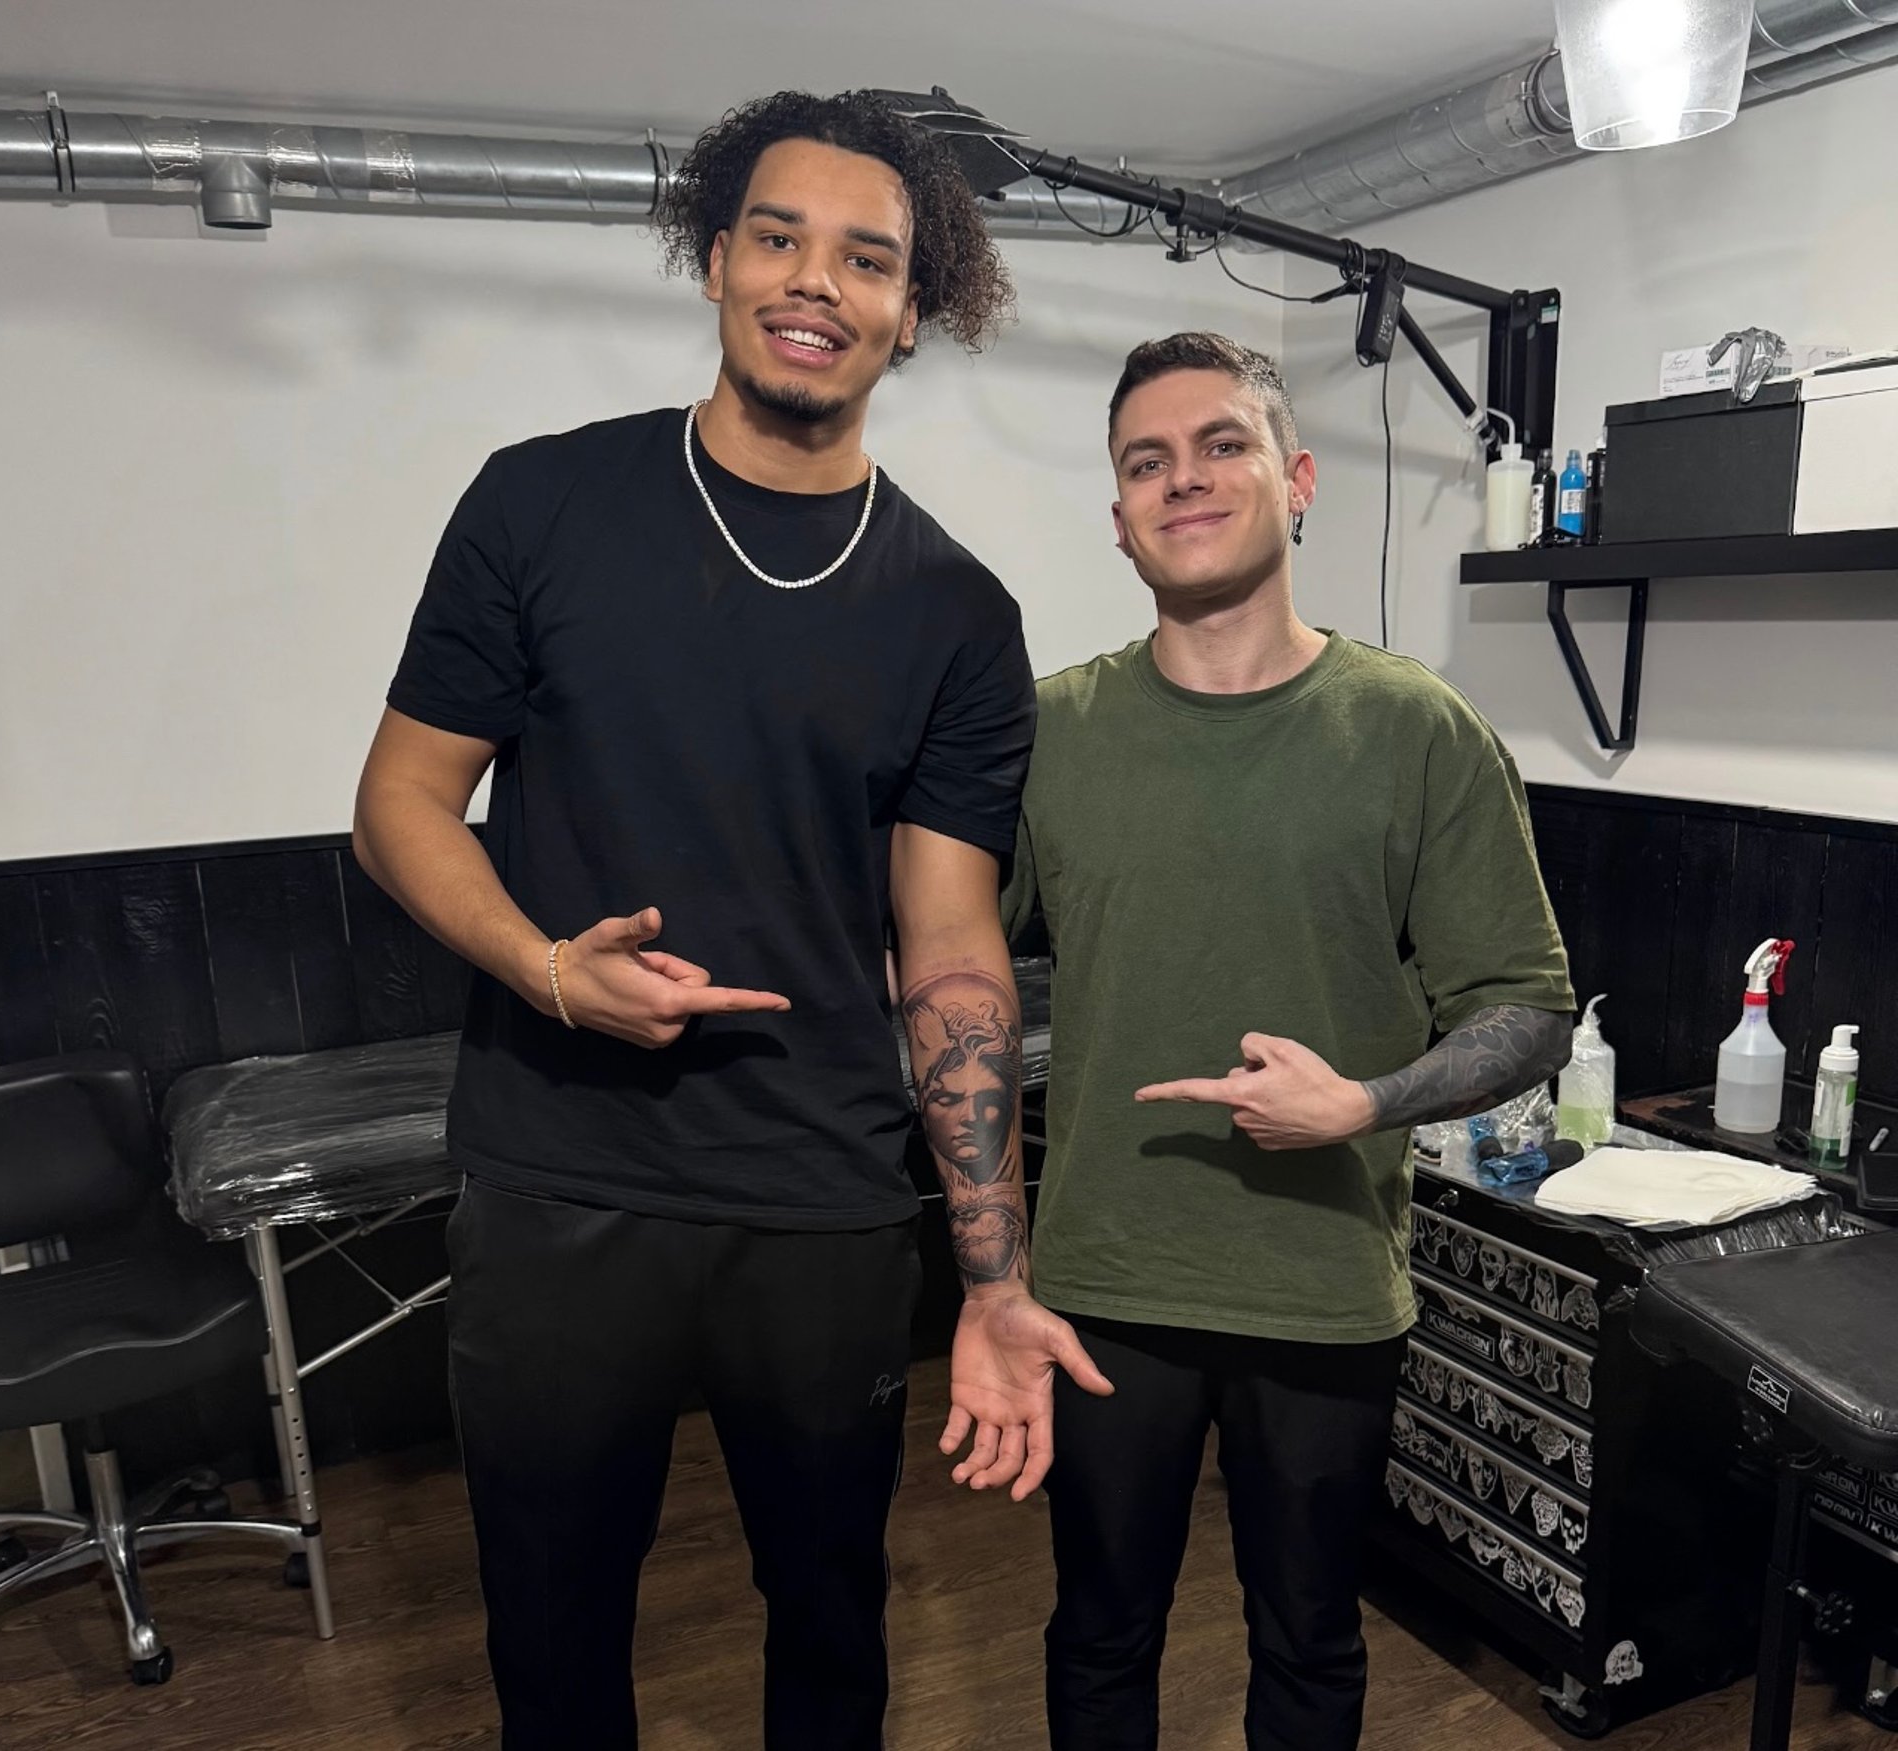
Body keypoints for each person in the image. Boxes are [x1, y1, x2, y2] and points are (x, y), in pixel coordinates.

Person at [353, 89, 1106, 1751]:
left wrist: (992, 1274)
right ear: (714, 258)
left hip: (823, 1202)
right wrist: (548, 972)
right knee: (553, 1638)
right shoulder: (541, 507)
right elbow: (399, 804)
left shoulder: (961, 617)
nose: (815, 281)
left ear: (916, 313)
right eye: (779, 236)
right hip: (559, 1179)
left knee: (834, 1627)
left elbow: (955, 946)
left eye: (867, 259)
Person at [1000, 331, 1574, 1751]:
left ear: (1295, 478)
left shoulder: (1417, 730)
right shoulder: (1046, 735)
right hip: (1106, 1279)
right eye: (1147, 462)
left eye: (1220, 446)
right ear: (1120, 512)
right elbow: (944, 965)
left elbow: (1526, 1007)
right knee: (1097, 1633)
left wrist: (1365, 1103)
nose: (1182, 480)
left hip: (1320, 1285)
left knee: (1311, 1639)